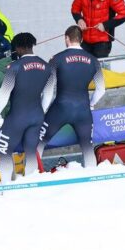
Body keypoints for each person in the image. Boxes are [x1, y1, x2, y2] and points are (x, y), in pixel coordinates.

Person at [38, 26, 106, 168]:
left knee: (39, 143)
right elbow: (101, 90)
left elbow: (48, 90)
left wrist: (43, 110)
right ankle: (92, 176)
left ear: (66, 38)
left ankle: (32, 175)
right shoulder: (94, 61)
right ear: (81, 39)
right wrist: (91, 104)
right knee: (87, 147)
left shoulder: (56, 59)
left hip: (60, 109)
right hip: (83, 110)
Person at [0, 33, 52, 183]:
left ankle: (6, 187)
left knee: (5, 152)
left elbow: (4, 93)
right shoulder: (47, 66)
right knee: (31, 151)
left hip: (17, 117)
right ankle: (31, 184)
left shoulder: (15, 67)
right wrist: (42, 110)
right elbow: (49, 93)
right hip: (37, 115)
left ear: (18, 48)